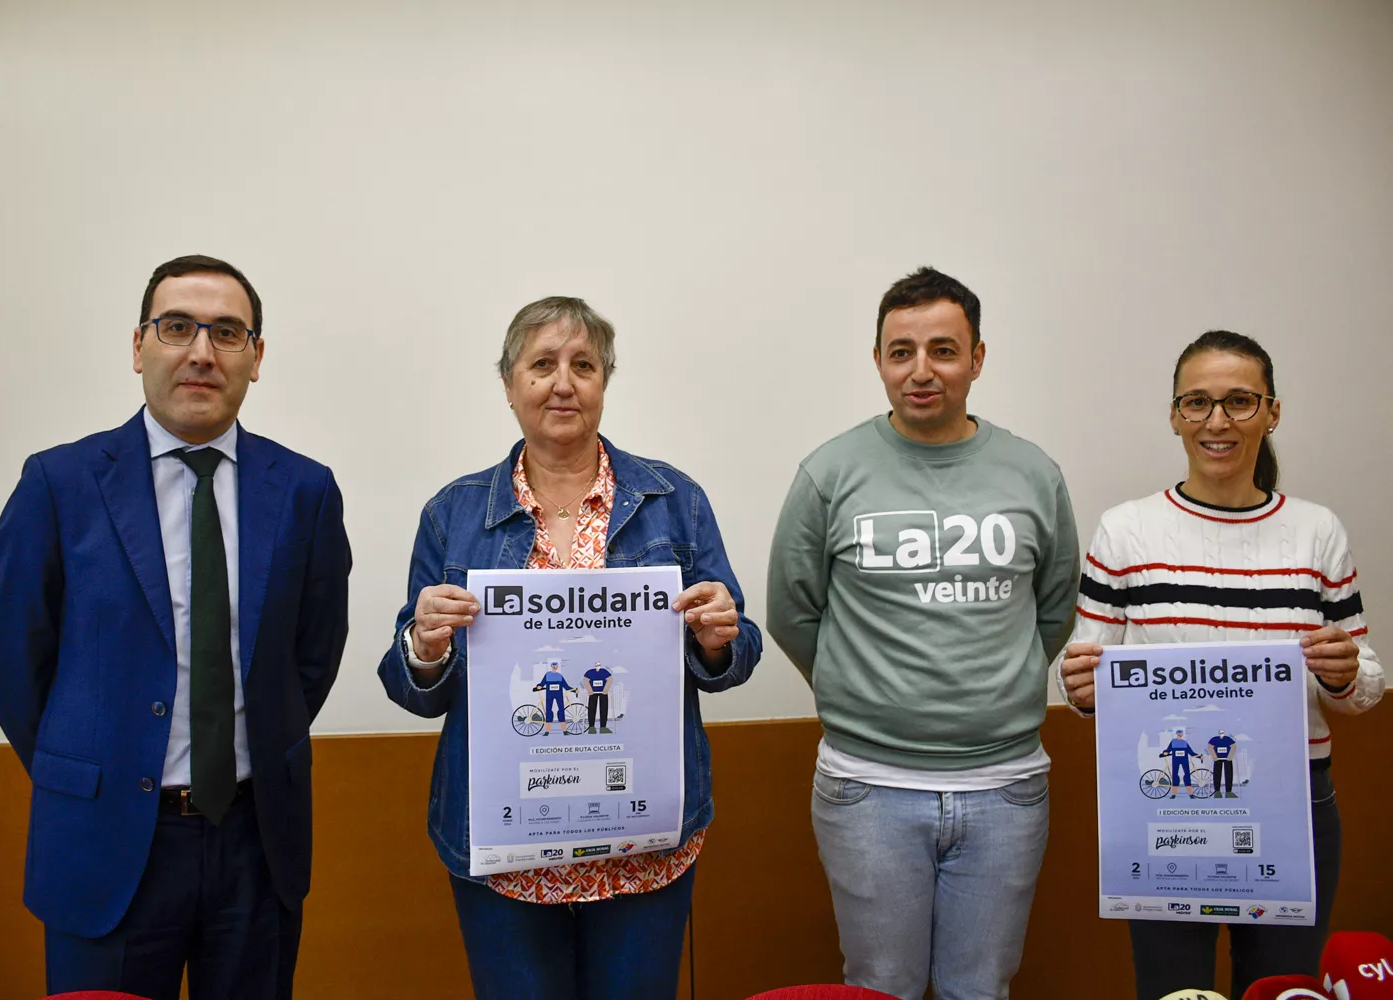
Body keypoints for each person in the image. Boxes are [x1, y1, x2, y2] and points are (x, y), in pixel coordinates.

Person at [0, 255, 352, 1000]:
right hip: (106, 843)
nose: (201, 352)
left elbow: (311, 658)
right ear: (139, 345)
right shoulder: (59, 483)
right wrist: (90, 772)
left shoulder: (304, 491)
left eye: (227, 332)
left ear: (257, 356)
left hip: (255, 841)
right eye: (177, 327)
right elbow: (11, 662)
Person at [378, 296, 761, 1000]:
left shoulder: (675, 500)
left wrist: (716, 639)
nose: (563, 383)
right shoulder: (453, 512)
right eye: (543, 365)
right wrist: (425, 644)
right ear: (509, 384)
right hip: (506, 850)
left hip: (644, 847)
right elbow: (410, 684)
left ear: (604, 383)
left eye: (583, 365)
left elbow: (738, 649)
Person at [766, 267, 1080, 1000]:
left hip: (1004, 787)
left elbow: (1054, 608)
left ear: (976, 359)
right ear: (878, 360)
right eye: (900, 351)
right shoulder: (831, 472)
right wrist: (862, 689)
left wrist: (993, 685)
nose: (921, 370)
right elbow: (793, 610)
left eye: (943, 349)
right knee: (879, 988)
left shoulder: (1034, 473)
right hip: (867, 788)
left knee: (981, 989)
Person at [1057, 330, 1383, 999]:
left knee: (1285, 988)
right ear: (1174, 415)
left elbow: (1362, 686)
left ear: (1273, 411)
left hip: (1294, 800)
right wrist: (1080, 686)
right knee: (1175, 992)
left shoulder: (1317, 531)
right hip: (1163, 807)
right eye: (1197, 402)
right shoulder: (1126, 531)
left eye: (1239, 401)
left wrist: (1345, 672)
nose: (1217, 421)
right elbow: (1088, 676)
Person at [533, 660, 576, 736]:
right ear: (552, 667)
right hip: (550, 694)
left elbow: (566, 686)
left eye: (556, 666)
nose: (555, 667)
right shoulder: (548, 674)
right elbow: (542, 683)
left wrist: (574, 690)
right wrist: (539, 686)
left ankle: (564, 731)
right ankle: (547, 731)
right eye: (554, 666)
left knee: (561, 710)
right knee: (549, 711)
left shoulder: (559, 675)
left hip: (558, 694)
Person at [1160, 729, 1204, 798]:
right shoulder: (1173, 742)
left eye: (1181, 733)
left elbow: (1191, 753)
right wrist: (1165, 752)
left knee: (1187, 775)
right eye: (1179, 733)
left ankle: (1191, 794)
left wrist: (1199, 756)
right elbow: (1168, 750)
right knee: (1175, 775)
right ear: (1177, 734)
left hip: (1184, 760)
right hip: (1176, 760)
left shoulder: (1185, 742)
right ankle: (1174, 794)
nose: (1180, 735)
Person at [584, 661, 614, 734]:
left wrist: (605, 690)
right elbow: (586, 680)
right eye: (596, 665)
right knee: (591, 709)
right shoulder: (589, 672)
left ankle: (603, 727)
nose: (597, 666)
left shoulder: (604, 671)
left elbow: (610, 679)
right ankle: (591, 727)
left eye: (599, 665)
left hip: (603, 693)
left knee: (604, 709)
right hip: (593, 693)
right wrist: (590, 690)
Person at [1208, 730, 1238, 798]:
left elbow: (1234, 746)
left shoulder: (1228, 739)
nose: (1221, 734)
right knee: (1217, 774)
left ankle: (1228, 792)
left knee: (1229, 774)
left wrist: (1230, 756)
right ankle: (1217, 791)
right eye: (1220, 733)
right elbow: (1210, 746)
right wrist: (1214, 756)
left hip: (1227, 758)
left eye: (1222, 733)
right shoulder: (1214, 739)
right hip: (1217, 758)